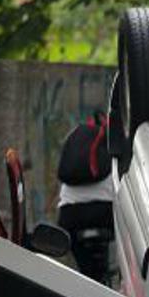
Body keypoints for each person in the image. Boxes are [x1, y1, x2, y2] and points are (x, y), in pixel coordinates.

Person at [56, 112, 117, 284]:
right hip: (105, 214)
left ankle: (81, 280)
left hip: (71, 215)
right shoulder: (112, 149)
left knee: (80, 264)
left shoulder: (75, 147)